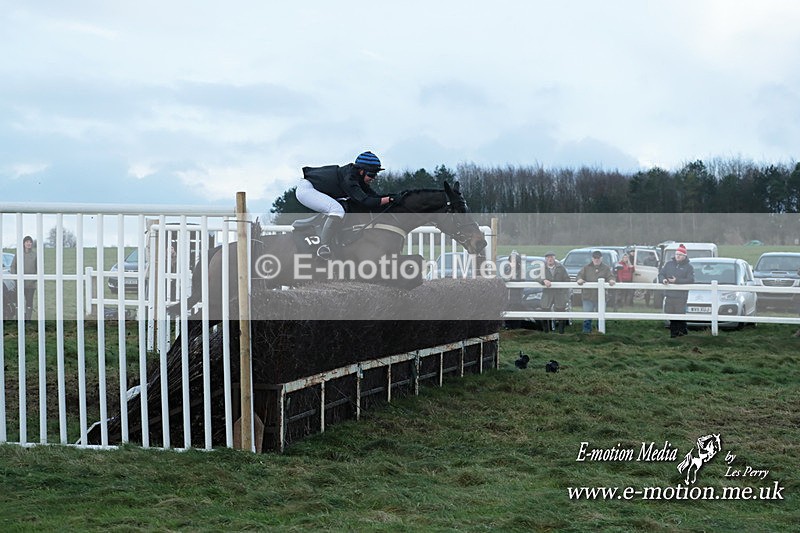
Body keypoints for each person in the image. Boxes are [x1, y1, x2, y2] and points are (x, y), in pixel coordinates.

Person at [295, 151, 392, 259]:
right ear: (361, 171)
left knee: (343, 207)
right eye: (371, 174)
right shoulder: (349, 178)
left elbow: (374, 197)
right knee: (337, 210)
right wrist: (389, 199)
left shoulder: (357, 178)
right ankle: (323, 246)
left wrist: (393, 198)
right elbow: (366, 201)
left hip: (319, 188)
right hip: (307, 190)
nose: (373, 178)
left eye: (376, 174)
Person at [658, 243, 695, 338]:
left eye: (680, 255)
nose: (678, 256)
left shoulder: (689, 267)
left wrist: (677, 281)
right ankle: (673, 335)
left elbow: (691, 280)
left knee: (680, 317)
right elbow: (661, 274)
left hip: (681, 297)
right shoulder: (668, 264)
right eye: (677, 254)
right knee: (670, 316)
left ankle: (683, 335)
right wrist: (664, 280)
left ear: (684, 256)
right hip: (669, 296)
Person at [576, 250, 616, 333]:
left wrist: (611, 280)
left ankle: (600, 333)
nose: (596, 260)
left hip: (600, 297)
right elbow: (579, 275)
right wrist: (579, 279)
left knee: (600, 317)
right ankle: (586, 334)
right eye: (595, 258)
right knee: (587, 317)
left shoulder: (606, 268)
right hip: (588, 296)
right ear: (592, 258)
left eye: (598, 258)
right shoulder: (586, 268)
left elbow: (610, 276)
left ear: (601, 258)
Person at [540, 251, 570, 333]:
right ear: (546, 259)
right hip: (547, 294)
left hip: (559, 294)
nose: (550, 259)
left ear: (554, 258)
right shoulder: (542, 268)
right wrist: (543, 280)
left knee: (561, 312)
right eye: (548, 258)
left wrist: (563, 291)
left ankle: (561, 332)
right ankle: (546, 332)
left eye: (551, 257)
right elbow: (537, 277)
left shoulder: (561, 268)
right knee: (544, 312)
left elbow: (567, 279)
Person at [10, 235, 37, 320]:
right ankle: (19, 319)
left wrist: (34, 279)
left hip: (30, 284)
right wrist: (15, 278)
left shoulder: (35, 255)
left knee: (29, 303)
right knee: (19, 302)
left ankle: (28, 320)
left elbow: (38, 268)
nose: (29, 243)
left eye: (30, 242)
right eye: (27, 242)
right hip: (20, 284)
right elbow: (13, 266)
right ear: (24, 243)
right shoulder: (18, 254)